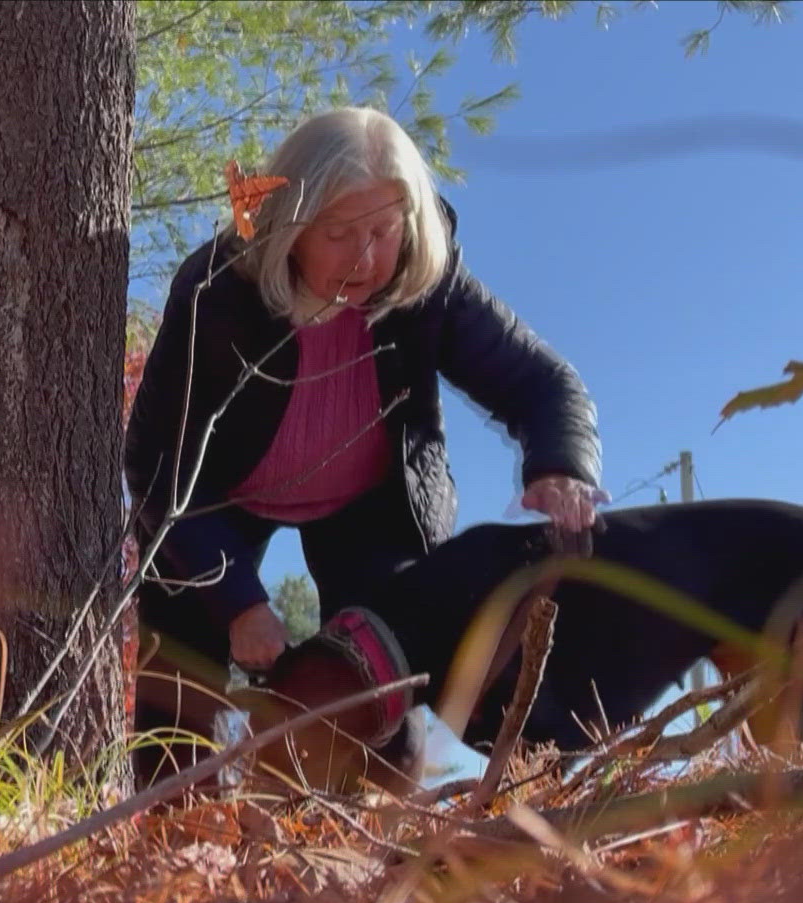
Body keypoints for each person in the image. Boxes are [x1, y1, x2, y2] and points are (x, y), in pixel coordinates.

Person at [124, 105, 604, 776]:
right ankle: (174, 851)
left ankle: (371, 864)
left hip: (370, 505)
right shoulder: (216, 292)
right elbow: (157, 462)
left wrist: (559, 466)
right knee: (178, 699)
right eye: (340, 233)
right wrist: (238, 599)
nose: (368, 258)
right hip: (212, 504)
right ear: (289, 226)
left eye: (384, 229)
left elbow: (543, 382)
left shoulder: (425, 282)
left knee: (382, 704)